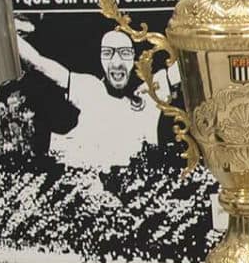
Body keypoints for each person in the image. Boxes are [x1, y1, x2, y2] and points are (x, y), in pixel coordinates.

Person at [15, 21, 175, 172]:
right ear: (100, 58)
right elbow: (37, 63)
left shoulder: (149, 95)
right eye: (108, 53)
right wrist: (7, 30)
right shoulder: (90, 90)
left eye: (124, 53)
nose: (117, 62)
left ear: (134, 58)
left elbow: (183, 69)